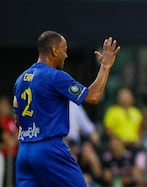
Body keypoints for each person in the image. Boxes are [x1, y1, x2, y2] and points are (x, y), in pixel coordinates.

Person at [12, 31, 121, 186]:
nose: (66, 55)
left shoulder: (21, 79)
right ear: (55, 50)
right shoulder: (56, 76)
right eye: (64, 50)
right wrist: (105, 66)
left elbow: (17, 119)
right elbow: (93, 97)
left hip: (24, 151)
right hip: (49, 148)